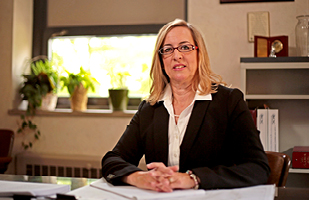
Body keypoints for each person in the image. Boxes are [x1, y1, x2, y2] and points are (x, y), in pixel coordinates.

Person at [101, 19, 270, 192]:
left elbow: (257, 168)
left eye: (185, 47)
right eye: (167, 50)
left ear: (199, 53)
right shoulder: (149, 108)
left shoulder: (229, 102)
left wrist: (193, 179)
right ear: (161, 60)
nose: (176, 55)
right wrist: (138, 177)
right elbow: (112, 160)